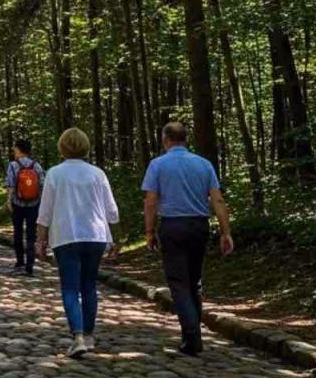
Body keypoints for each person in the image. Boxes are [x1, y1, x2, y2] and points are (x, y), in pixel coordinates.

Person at [142, 121, 234, 356]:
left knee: (178, 283)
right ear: (185, 139)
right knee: (194, 281)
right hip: (199, 226)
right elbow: (217, 199)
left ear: (165, 140)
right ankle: (192, 335)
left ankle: (192, 336)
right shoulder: (204, 164)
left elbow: (151, 200)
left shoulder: (157, 165)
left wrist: (150, 231)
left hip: (172, 226)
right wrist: (226, 232)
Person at [35, 128, 120, 359]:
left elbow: (45, 211)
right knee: (89, 285)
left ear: (62, 147)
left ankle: (78, 336)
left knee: (70, 287)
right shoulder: (97, 174)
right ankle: (89, 335)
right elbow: (111, 209)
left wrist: (41, 240)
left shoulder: (55, 174)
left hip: (66, 235)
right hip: (95, 235)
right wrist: (116, 238)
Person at [5, 139, 45, 276]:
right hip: (34, 204)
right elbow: (42, 185)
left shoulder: (13, 165)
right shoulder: (37, 166)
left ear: (18, 149)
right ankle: (30, 266)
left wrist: (9, 201)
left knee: (18, 233)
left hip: (17, 204)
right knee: (31, 235)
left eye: (15, 149)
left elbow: (10, 184)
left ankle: (20, 262)